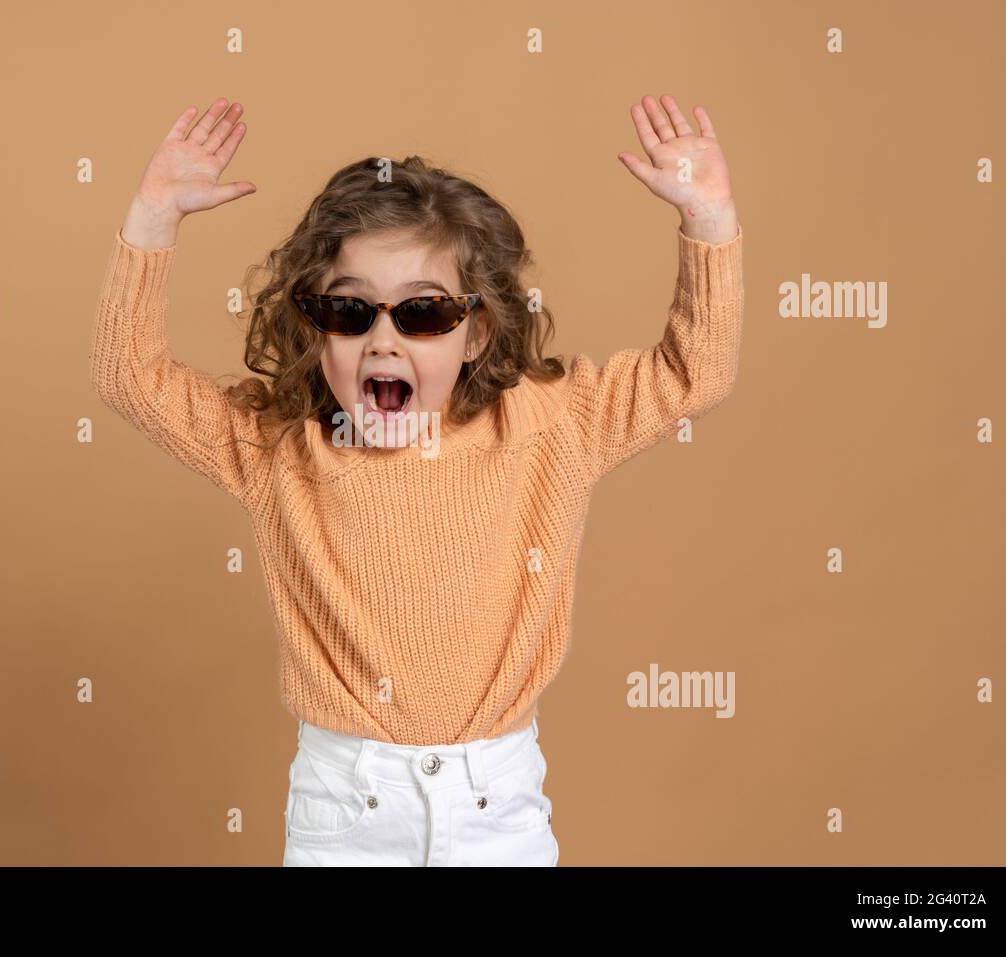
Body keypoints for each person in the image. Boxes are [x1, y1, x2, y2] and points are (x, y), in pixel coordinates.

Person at [89, 94, 743, 866]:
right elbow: (128, 376)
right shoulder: (279, 449)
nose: (384, 340)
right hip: (346, 807)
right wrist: (153, 218)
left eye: (424, 314)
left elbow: (692, 372)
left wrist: (708, 222)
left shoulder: (553, 425)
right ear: (316, 326)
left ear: (478, 331)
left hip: (497, 805)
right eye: (350, 310)